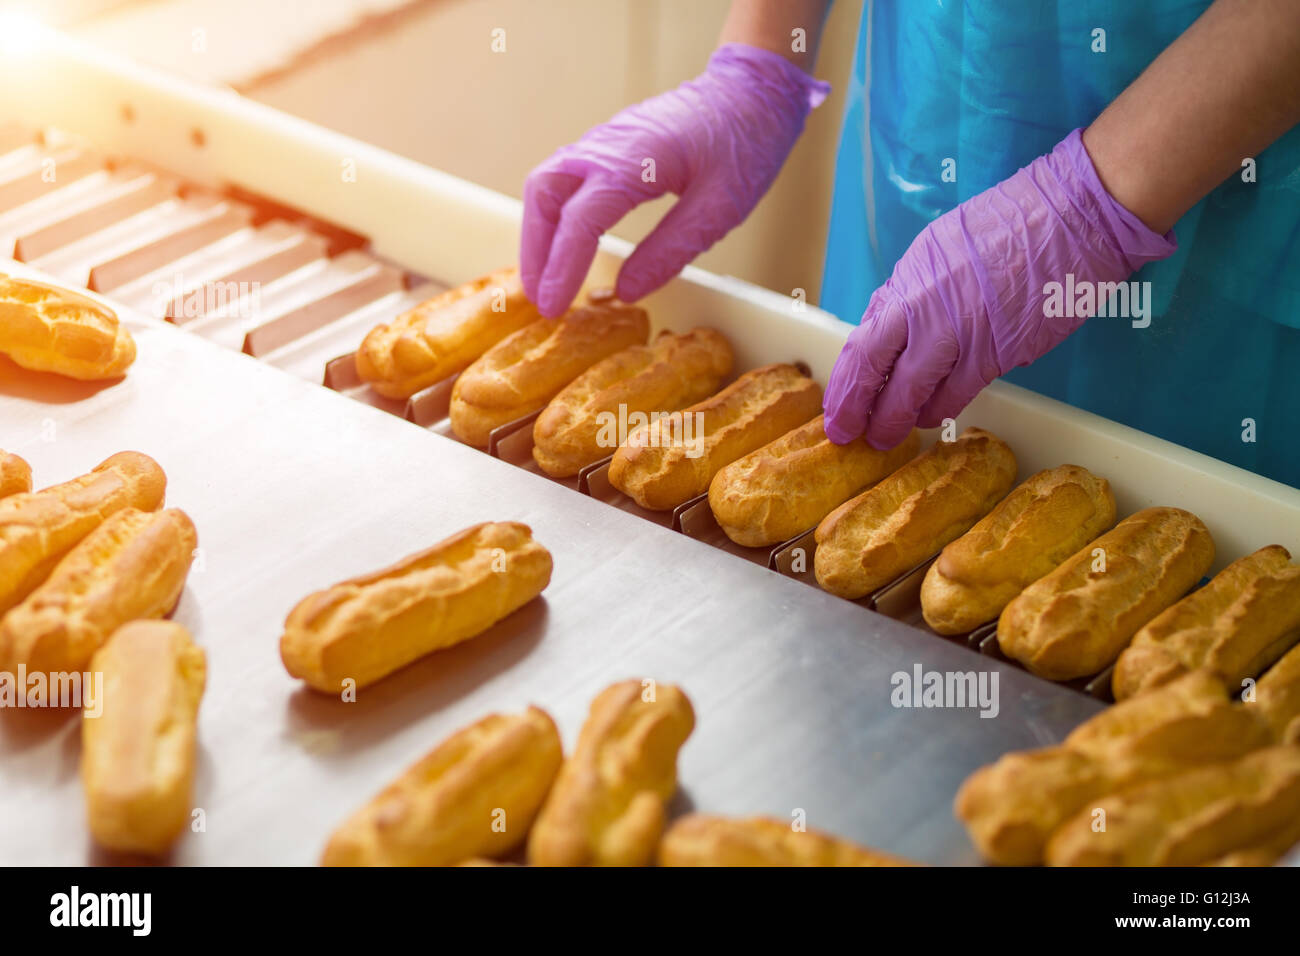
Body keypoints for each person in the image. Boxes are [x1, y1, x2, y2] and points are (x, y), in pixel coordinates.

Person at [519, 0, 1300, 487]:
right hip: (936, 102)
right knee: (872, 433)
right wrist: (760, 57)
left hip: (1223, 198)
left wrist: (1089, 208)